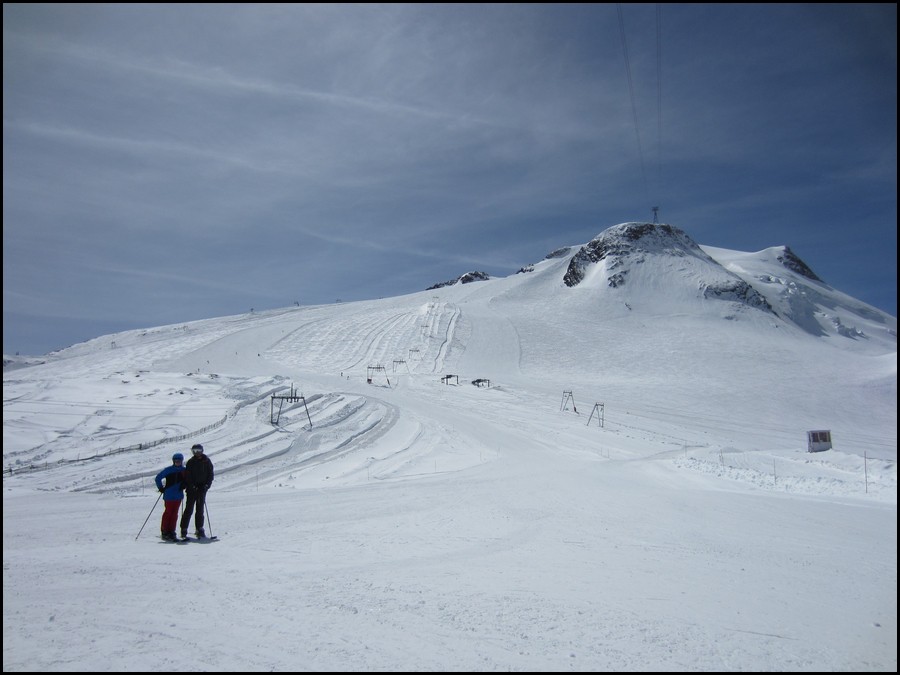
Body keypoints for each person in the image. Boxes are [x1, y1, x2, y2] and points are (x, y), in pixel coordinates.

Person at [180, 443, 214, 539]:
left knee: (200, 510)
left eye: (198, 451)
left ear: (202, 451)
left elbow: (210, 475)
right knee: (189, 509)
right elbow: (188, 476)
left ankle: (199, 528)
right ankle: (184, 528)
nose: (197, 453)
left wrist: (206, 486)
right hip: (192, 490)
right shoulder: (191, 462)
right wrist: (192, 485)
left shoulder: (207, 461)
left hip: (202, 489)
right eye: (194, 451)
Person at [155, 452, 186, 541]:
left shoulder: (184, 470)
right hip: (169, 495)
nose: (177, 462)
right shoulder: (168, 470)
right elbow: (158, 478)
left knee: (175, 514)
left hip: (178, 496)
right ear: (173, 461)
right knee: (168, 513)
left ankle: (172, 530)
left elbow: (188, 480)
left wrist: (185, 485)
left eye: (179, 461)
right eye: (176, 461)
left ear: (181, 461)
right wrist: (161, 488)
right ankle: (165, 531)